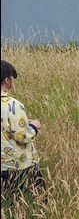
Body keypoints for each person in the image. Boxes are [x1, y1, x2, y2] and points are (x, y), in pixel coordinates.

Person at [1, 60, 43, 191]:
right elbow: (22, 136)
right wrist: (34, 126)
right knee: (34, 200)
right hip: (17, 167)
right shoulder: (13, 105)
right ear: (7, 80)